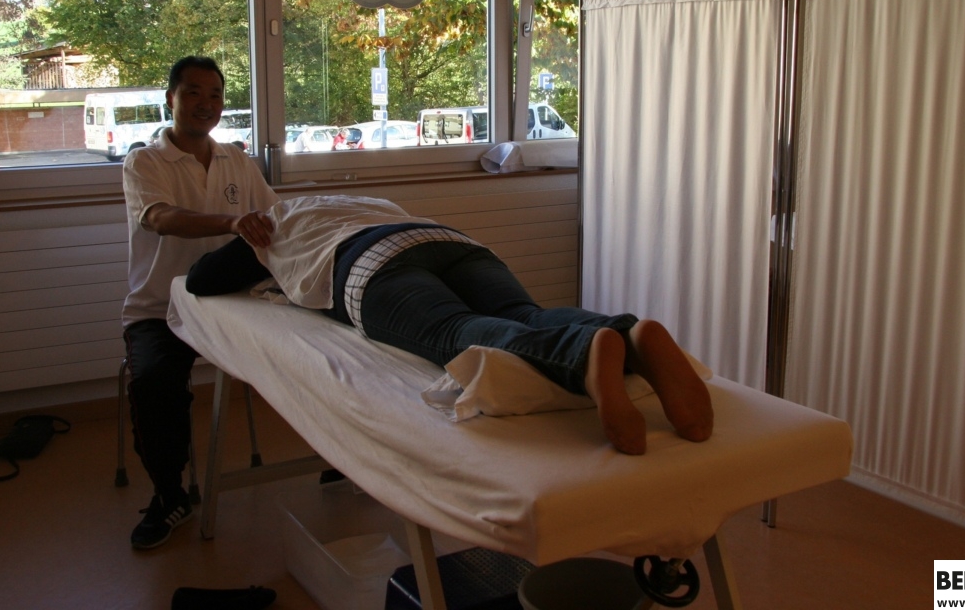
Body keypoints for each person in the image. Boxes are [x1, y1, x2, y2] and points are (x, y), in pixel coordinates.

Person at [185, 194, 713, 455]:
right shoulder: (369, 201)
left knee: (455, 329)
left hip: (372, 264)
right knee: (523, 314)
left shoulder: (277, 217)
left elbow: (202, 281)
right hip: (450, 241)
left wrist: (246, 234)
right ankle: (627, 335)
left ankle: (583, 353)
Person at [121, 56, 278, 549]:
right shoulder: (145, 161)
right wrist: (232, 223)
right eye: (193, 93)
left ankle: (339, 458)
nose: (205, 104)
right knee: (153, 384)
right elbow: (161, 218)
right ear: (170, 98)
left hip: (235, 303)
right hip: (159, 309)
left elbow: (276, 217)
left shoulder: (237, 159)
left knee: (318, 350)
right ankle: (169, 496)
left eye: (215, 95)